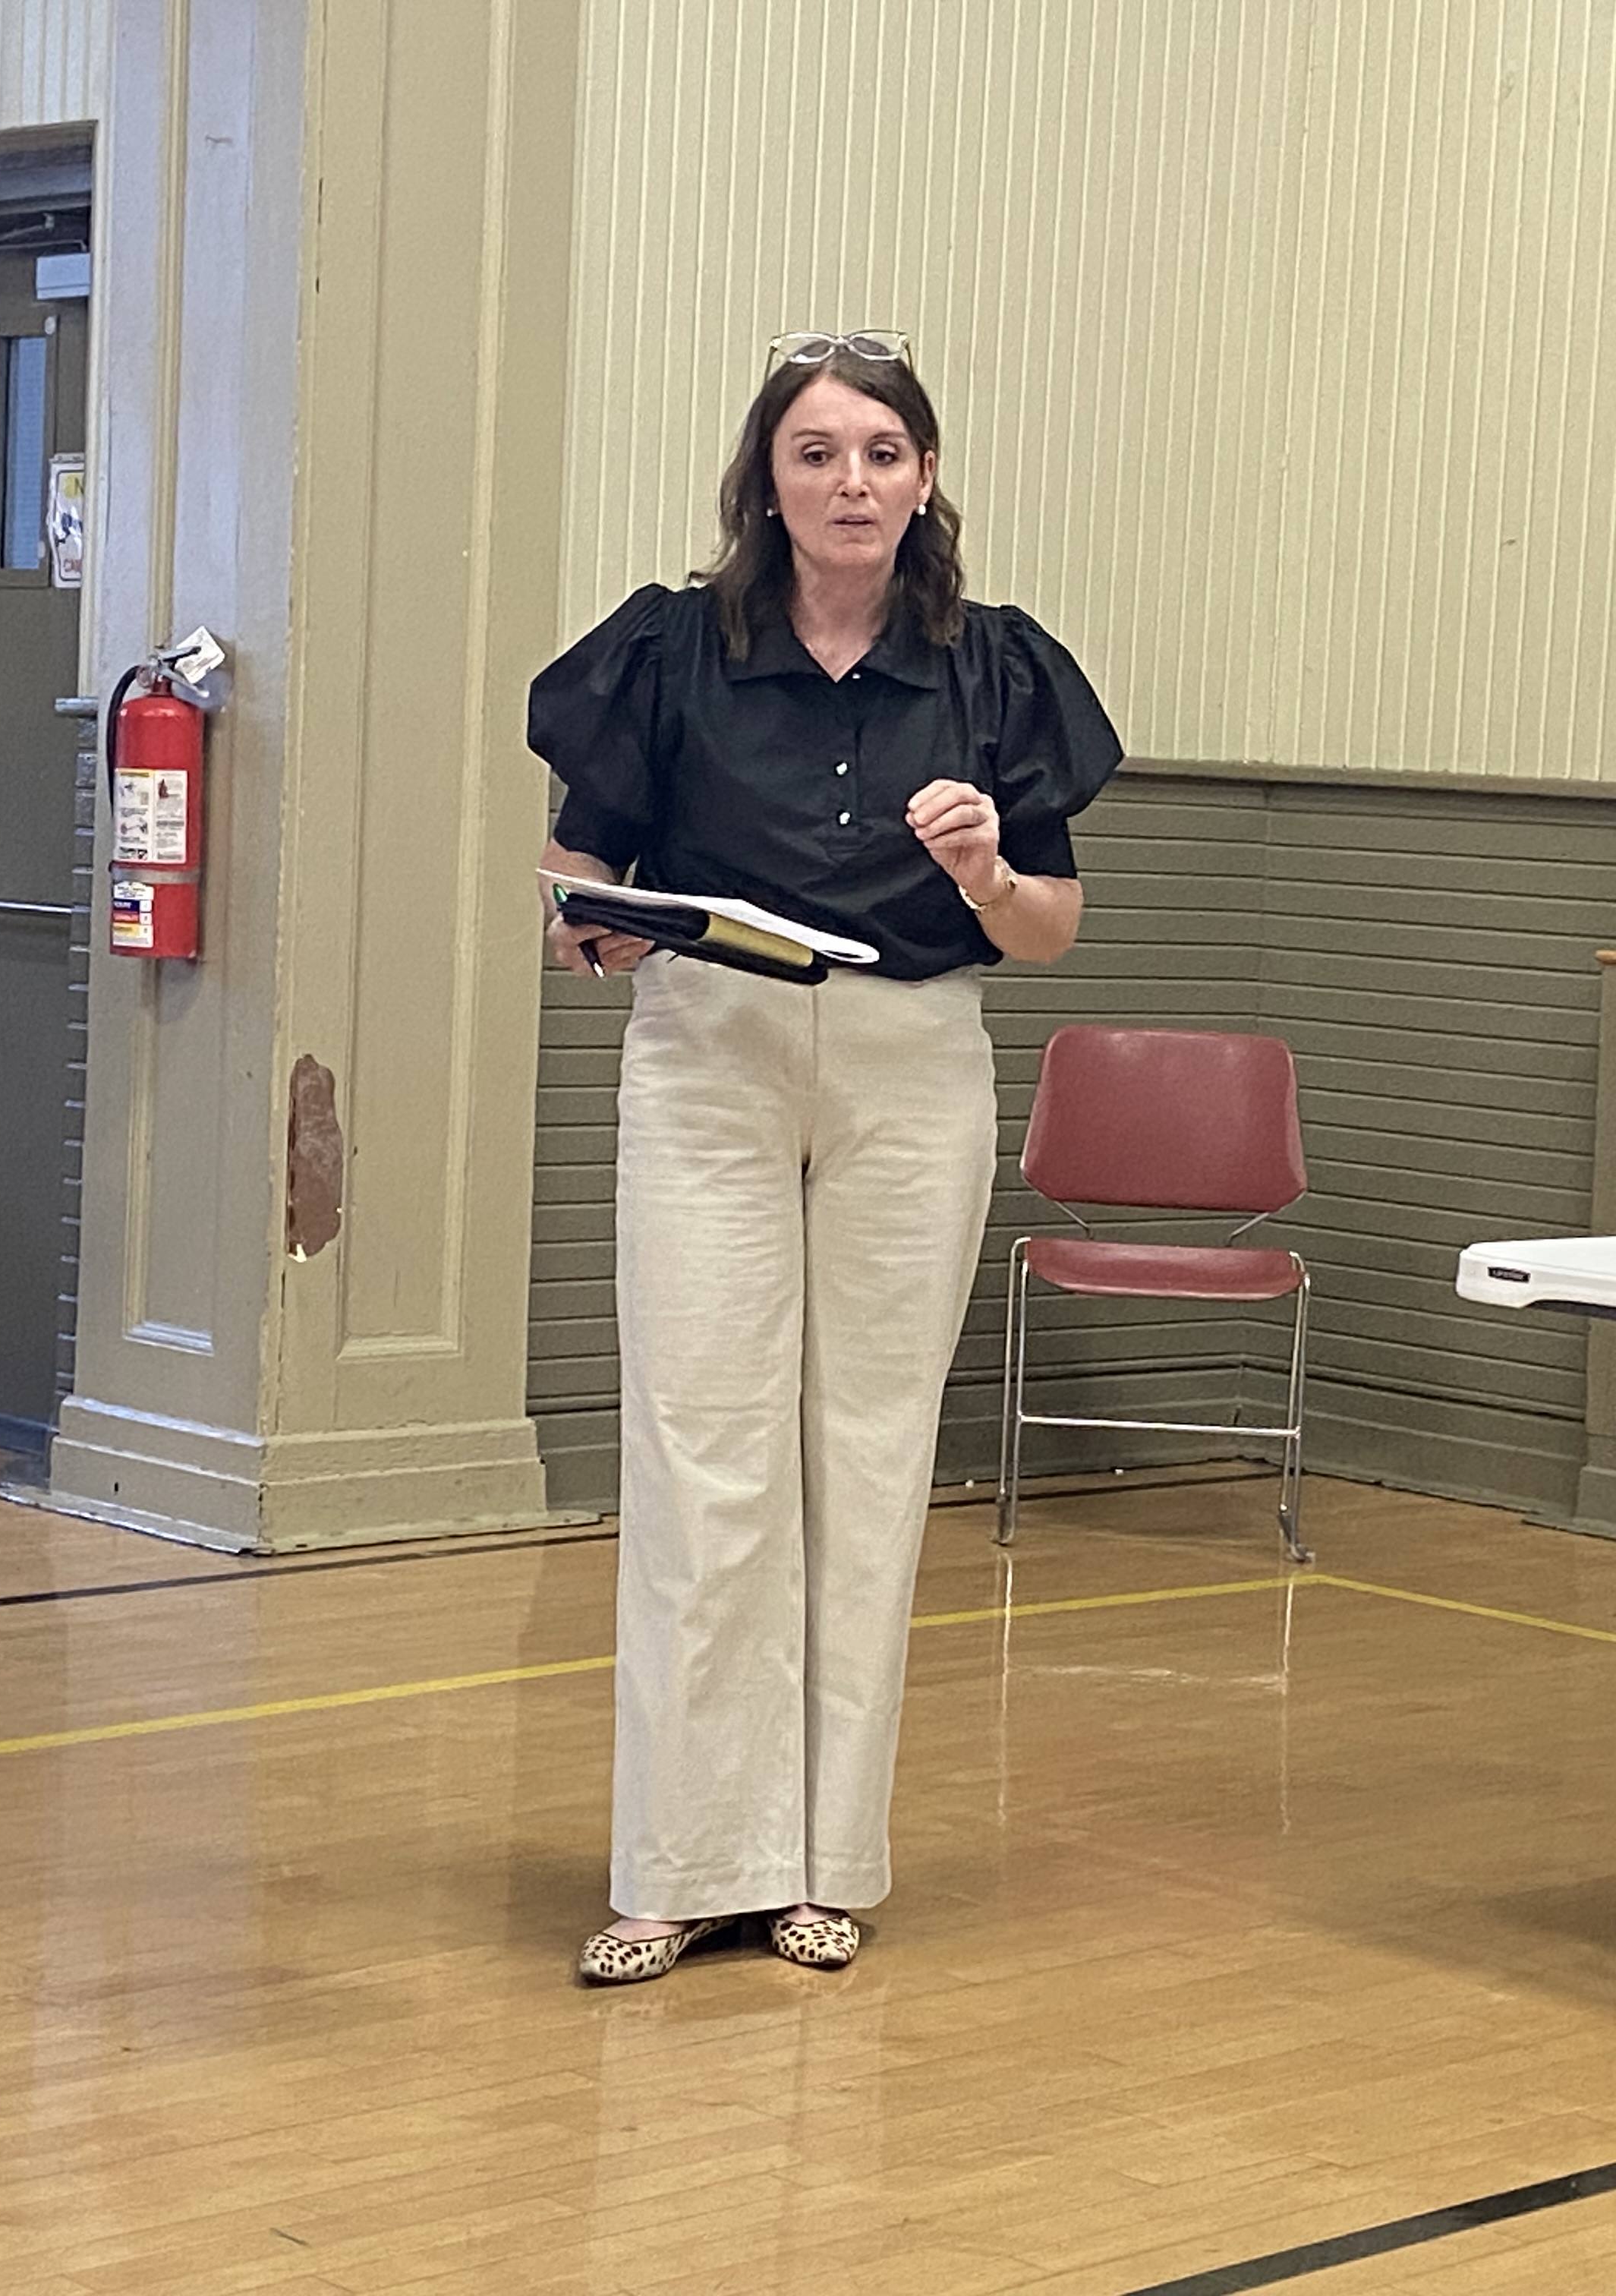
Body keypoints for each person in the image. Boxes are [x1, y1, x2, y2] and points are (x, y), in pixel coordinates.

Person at [528, 330, 1120, 1982]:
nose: (848, 480)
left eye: (879, 451)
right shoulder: (668, 654)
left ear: (925, 477)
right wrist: (603, 939)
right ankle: (676, 1862)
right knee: (701, 1444)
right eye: (815, 452)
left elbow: (1054, 932)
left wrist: (994, 871)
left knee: (866, 1455)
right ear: (766, 481)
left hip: (910, 1063)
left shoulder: (996, 673)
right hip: (710, 1055)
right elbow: (576, 881)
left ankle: (823, 1861)